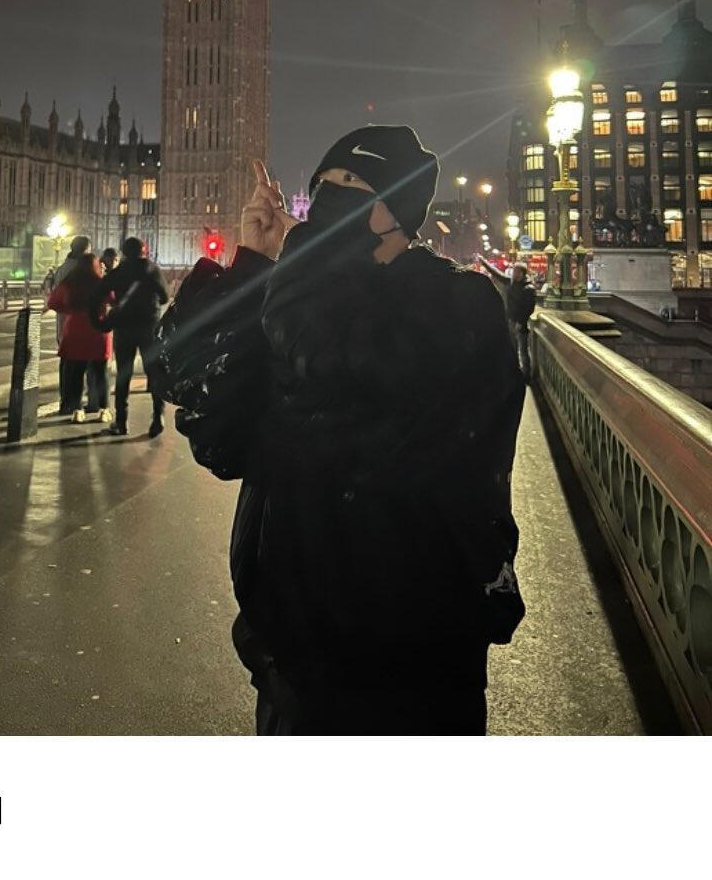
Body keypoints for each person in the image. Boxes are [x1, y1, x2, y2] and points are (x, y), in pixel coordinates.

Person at [161, 127, 526, 737]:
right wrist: (253, 264)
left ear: (399, 206)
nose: (334, 197)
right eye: (324, 184)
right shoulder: (302, 297)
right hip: (293, 647)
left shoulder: (457, 303)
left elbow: (348, 361)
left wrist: (298, 262)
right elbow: (207, 410)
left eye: (354, 183)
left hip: (417, 645)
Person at [93, 237, 169, 438]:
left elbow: (97, 294)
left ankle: (121, 421)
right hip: (148, 326)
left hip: (124, 327)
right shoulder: (152, 270)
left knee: (123, 374)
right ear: (142, 251)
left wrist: (98, 322)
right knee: (154, 372)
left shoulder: (119, 272)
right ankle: (158, 416)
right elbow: (164, 297)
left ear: (124, 252)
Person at [47, 254, 113, 423]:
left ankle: (77, 410)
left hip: (75, 329)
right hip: (97, 329)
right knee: (101, 373)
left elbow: (53, 302)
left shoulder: (70, 283)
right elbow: (114, 299)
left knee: (76, 372)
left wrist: (69, 310)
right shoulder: (101, 283)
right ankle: (104, 410)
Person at [51, 236, 91, 414]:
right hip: (77, 324)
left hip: (63, 325)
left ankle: (65, 401)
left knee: (66, 363)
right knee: (77, 366)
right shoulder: (80, 270)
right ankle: (72, 403)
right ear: (85, 250)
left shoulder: (62, 268)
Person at [505, 263, 535, 380]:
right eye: (514, 271)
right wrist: (483, 262)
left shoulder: (529, 288)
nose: (514, 273)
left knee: (523, 350)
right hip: (511, 321)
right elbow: (497, 274)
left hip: (520, 324)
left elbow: (529, 308)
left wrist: (520, 322)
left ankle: (526, 375)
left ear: (522, 273)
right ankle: (515, 372)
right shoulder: (512, 284)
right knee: (513, 349)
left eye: (517, 271)